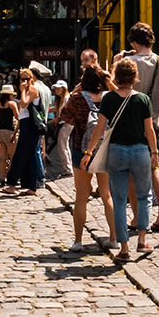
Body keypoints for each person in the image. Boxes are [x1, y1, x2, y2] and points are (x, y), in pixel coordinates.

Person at [81, 58, 159, 262]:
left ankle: (124, 248)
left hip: (116, 152)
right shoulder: (143, 99)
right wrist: (155, 152)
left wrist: (89, 153)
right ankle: (142, 240)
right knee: (143, 196)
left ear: (115, 76)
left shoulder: (109, 99)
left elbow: (99, 129)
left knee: (119, 200)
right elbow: (149, 130)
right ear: (134, 77)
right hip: (141, 151)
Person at [113, 22, 159, 232]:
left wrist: (116, 62)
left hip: (130, 124)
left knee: (130, 172)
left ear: (133, 41)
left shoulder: (128, 61)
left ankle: (138, 218)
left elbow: (116, 87)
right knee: (156, 167)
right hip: (154, 122)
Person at [60, 66, 116, 252]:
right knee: (107, 196)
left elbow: (64, 117)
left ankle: (77, 241)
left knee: (81, 197)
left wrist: (74, 93)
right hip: (104, 151)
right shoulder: (109, 97)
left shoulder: (78, 98)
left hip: (81, 150)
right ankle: (114, 238)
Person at [4, 69, 42, 196]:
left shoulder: (31, 89)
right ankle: (30, 186)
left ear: (31, 79)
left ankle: (12, 183)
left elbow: (24, 104)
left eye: (27, 79)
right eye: (22, 79)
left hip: (31, 125)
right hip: (26, 123)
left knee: (21, 153)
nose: (24, 81)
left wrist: (23, 90)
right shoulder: (26, 90)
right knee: (29, 155)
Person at [0, 85, 19, 187]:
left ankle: (2, 179)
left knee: (2, 158)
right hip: (9, 132)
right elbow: (18, 117)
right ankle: (10, 177)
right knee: (12, 157)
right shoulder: (12, 104)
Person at [50, 80, 73, 177]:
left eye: (58, 88)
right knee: (64, 146)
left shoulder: (67, 99)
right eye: (56, 89)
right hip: (64, 123)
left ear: (64, 89)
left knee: (62, 146)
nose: (56, 90)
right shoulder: (62, 100)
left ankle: (67, 169)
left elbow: (68, 112)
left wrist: (58, 119)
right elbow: (57, 108)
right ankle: (67, 168)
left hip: (66, 124)